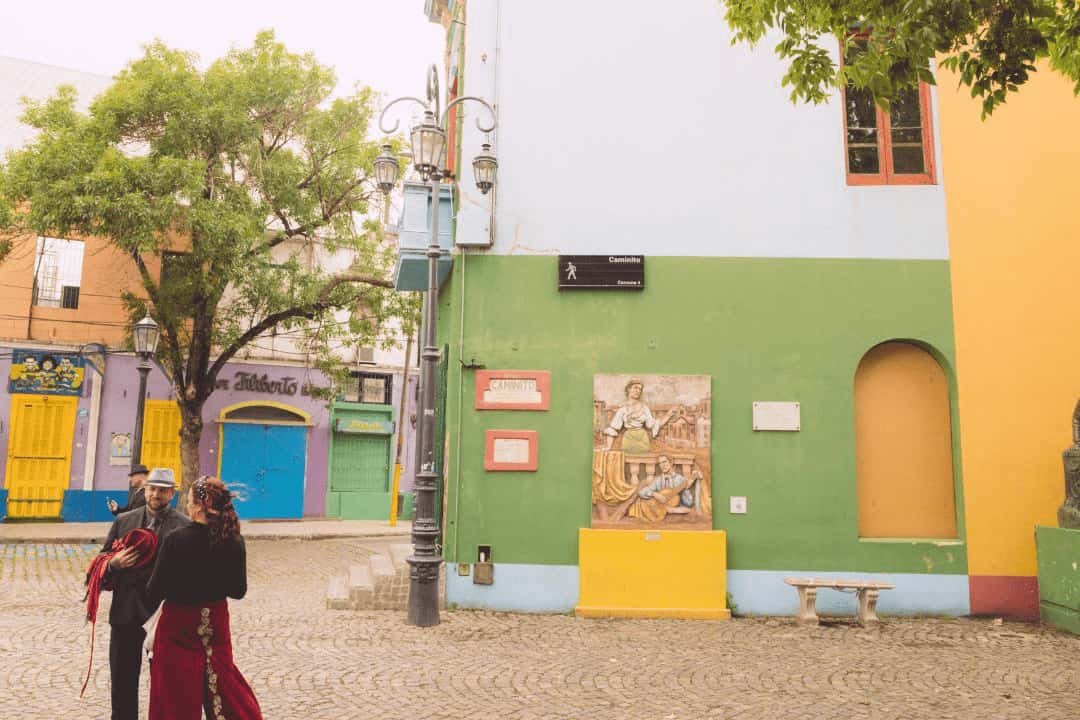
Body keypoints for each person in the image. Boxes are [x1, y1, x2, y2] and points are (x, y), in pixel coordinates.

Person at [146, 476, 262, 720]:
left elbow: (154, 591)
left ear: (199, 505)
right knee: (224, 689)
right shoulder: (233, 541)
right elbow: (238, 591)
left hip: (178, 627)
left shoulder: (176, 540)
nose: (186, 504)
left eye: (188, 500)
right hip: (214, 626)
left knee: (174, 696)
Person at [96, 468, 190, 720]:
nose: (156, 494)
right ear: (144, 490)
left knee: (166, 683)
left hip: (162, 617)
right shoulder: (123, 522)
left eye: (162, 490)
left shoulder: (184, 527)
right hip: (125, 614)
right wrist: (113, 564)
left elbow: (192, 574)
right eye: (152, 488)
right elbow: (99, 565)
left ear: (171, 493)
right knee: (123, 681)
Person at [602, 379, 679, 453]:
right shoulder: (623, 409)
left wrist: (669, 415)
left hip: (642, 441)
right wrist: (608, 447)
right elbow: (613, 429)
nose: (638, 391)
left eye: (640, 389)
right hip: (628, 441)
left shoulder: (644, 408)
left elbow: (652, 425)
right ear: (629, 389)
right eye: (635, 387)